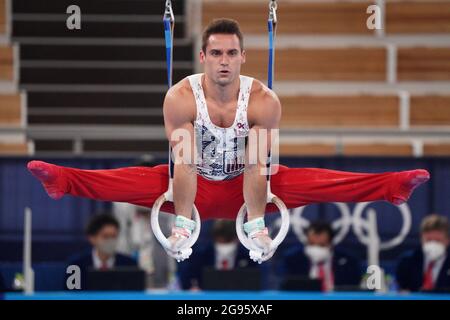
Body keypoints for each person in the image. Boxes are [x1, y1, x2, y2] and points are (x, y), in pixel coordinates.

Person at [28, 18, 429, 258]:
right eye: (216, 53)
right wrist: (181, 223)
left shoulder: (263, 101)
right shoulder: (181, 97)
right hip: (191, 185)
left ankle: (392, 187)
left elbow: (258, 164)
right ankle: (62, 180)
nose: (224, 61)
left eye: (231, 53)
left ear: (242, 56)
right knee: (137, 179)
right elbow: (183, 162)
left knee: (312, 181)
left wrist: (256, 225)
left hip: (250, 186)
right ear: (202, 56)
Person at [177, 220, 262, 290]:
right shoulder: (201, 255)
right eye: (221, 241)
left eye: (228, 241)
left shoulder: (249, 257)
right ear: (215, 239)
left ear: (237, 240)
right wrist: (192, 288)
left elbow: (261, 281)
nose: (224, 245)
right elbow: (186, 276)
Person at [280, 221, 361, 291]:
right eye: (312, 244)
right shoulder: (293, 260)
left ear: (330, 243)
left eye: (321, 245)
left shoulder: (348, 261)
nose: (316, 248)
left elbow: (354, 288)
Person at [66, 213, 137, 289]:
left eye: (114, 236)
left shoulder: (129, 265)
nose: (110, 241)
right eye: (105, 236)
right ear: (92, 238)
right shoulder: (76, 267)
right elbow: (70, 296)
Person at [396, 214, 450, 292]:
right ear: (422, 238)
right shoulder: (406, 261)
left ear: (448, 240)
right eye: (429, 240)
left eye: (438, 240)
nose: (433, 244)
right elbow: (401, 289)